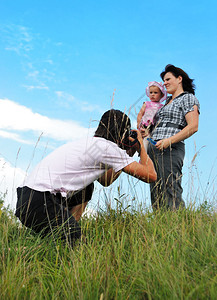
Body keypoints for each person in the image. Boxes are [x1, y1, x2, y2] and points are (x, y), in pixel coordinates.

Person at [15, 109, 157, 247]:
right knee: (77, 244)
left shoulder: (92, 144)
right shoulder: (108, 147)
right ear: (123, 132)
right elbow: (150, 176)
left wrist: (128, 153)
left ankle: (63, 231)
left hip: (27, 200)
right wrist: (141, 147)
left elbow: (106, 181)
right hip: (41, 201)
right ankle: (66, 236)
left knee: (87, 187)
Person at [147, 64, 200, 210]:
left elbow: (193, 126)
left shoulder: (188, 98)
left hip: (170, 148)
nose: (164, 83)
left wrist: (169, 141)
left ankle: (179, 228)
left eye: (168, 79)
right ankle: (160, 228)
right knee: (156, 191)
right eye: (164, 80)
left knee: (170, 189)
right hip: (154, 148)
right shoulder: (165, 103)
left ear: (180, 79)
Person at [137, 81, 167, 150]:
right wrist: (138, 125)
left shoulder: (162, 106)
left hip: (154, 128)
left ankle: (150, 155)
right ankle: (142, 157)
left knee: (152, 143)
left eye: (155, 93)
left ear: (161, 95)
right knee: (144, 143)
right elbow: (140, 114)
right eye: (151, 92)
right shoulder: (146, 103)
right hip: (145, 126)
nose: (152, 94)